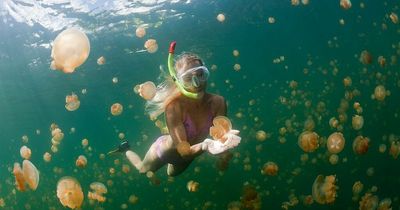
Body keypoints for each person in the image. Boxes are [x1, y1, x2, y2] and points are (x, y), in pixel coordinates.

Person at [109, 42, 241, 176]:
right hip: (164, 153)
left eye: (201, 74)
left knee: (171, 174)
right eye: (188, 78)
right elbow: (184, 150)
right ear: (178, 82)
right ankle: (125, 150)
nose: (197, 83)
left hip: (190, 156)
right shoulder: (174, 107)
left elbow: (220, 135)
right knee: (142, 170)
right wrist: (205, 146)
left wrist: (225, 140)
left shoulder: (218, 102)